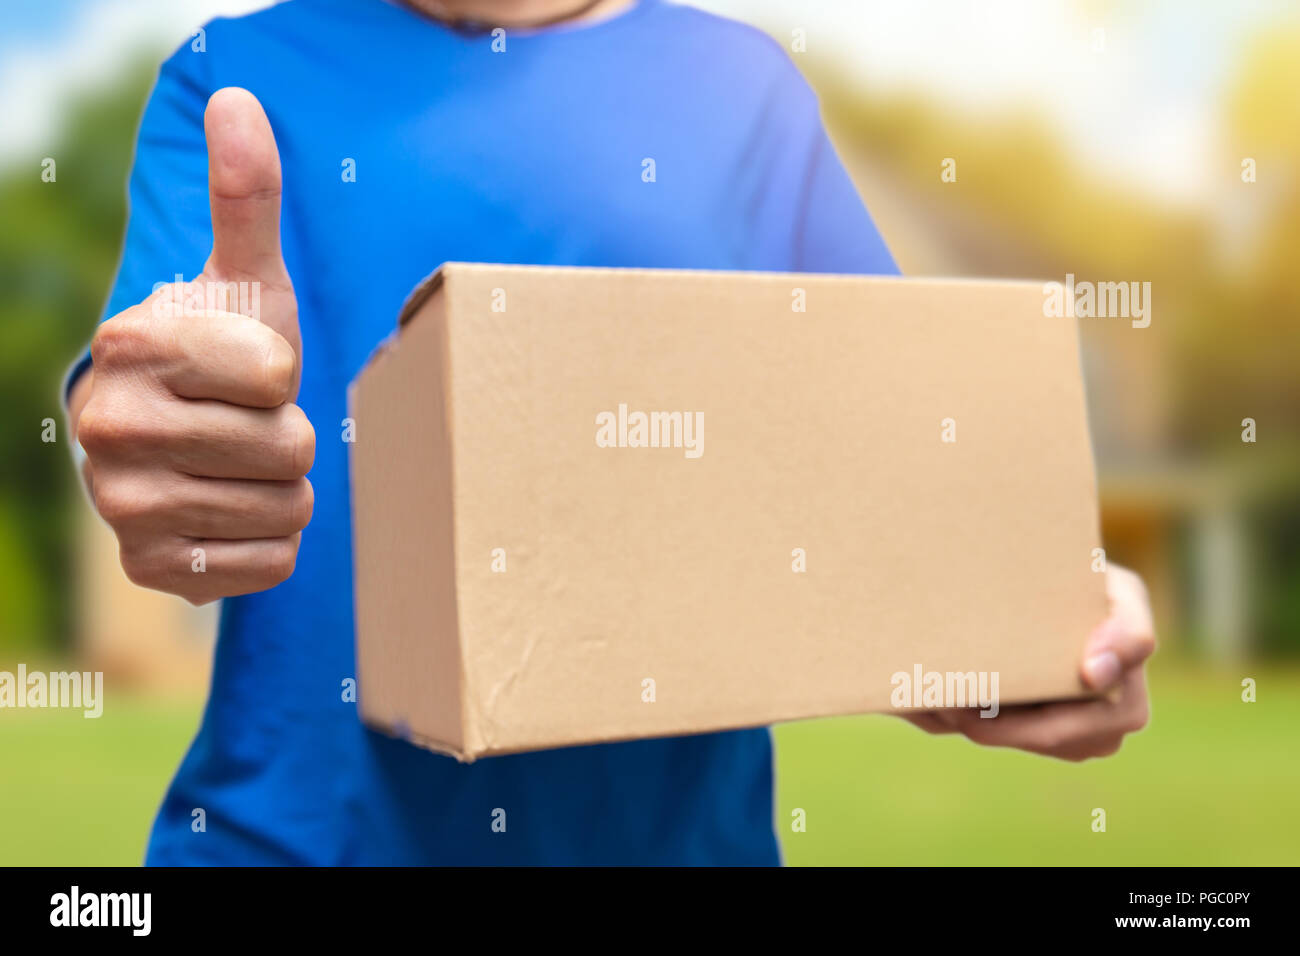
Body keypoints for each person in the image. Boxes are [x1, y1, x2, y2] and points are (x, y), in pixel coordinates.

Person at [64, 0, 1155, 865]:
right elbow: (143, 387)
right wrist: (147, 444)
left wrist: (1028, 618)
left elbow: (898, 468)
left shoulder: (743, 91)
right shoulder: (229, 81)